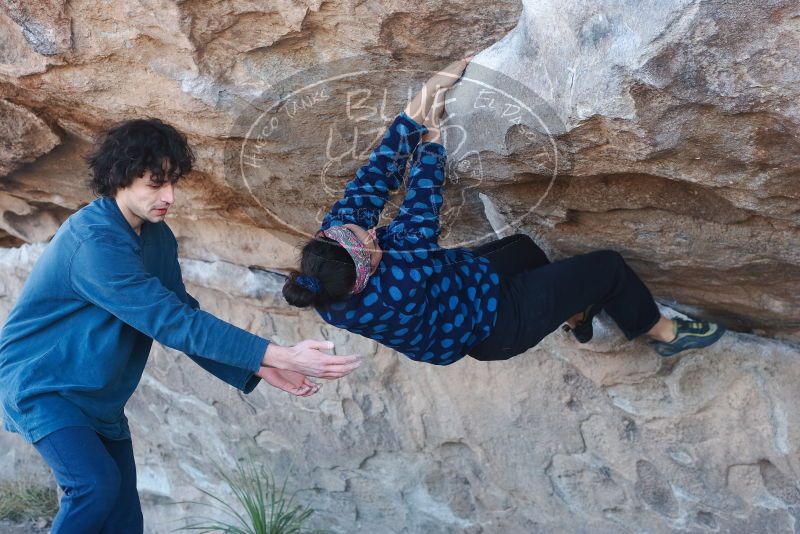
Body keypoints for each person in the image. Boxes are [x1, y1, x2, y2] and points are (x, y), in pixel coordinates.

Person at [0, 118, 361, 533]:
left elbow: (183, 312)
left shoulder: (156, 237)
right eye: (155, 184)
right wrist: (278, 353)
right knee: (94, 487)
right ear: (119, 178)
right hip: (42, 385)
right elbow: (170, 322)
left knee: (123, 519)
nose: (169, 196)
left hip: (98, 393)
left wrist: (259, 365)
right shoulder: (93, 243)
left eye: (172, 182)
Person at [282, 56, 725, 365]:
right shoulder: (398, 282)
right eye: (369, 244)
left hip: (463, 292)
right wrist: (434, 140)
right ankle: (664, 334)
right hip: (498, 325)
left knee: (523, 249)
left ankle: (576, 314)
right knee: (608, 269)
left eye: (358, 231)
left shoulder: (331, 272)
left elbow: (373, 181)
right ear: (364, 270)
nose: (371, 234)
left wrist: (422, 101)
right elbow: (420, 210)